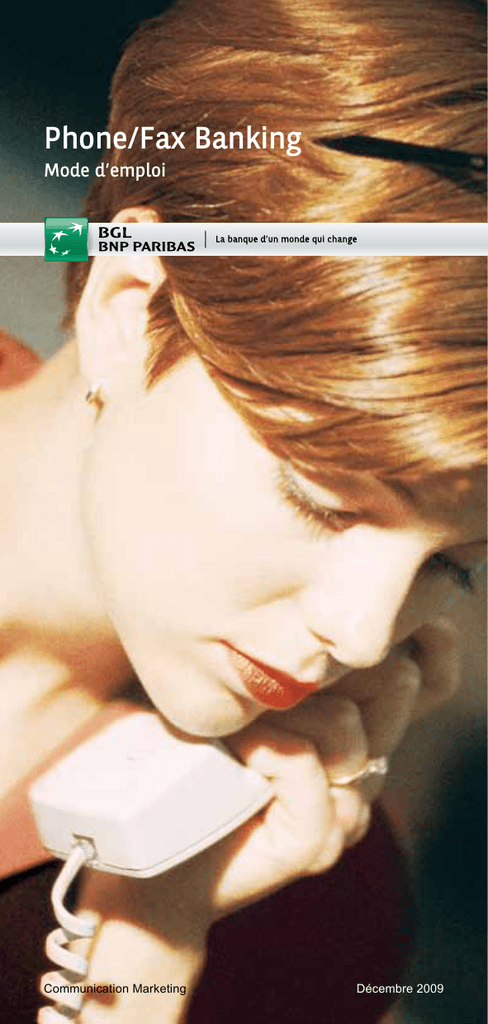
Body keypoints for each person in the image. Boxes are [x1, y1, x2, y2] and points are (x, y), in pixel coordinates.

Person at [0, 1, 486, 1023]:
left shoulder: (314, 908)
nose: (363, 633)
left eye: (453, 564)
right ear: (130, 310)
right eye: (324, 499)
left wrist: (149, 945)